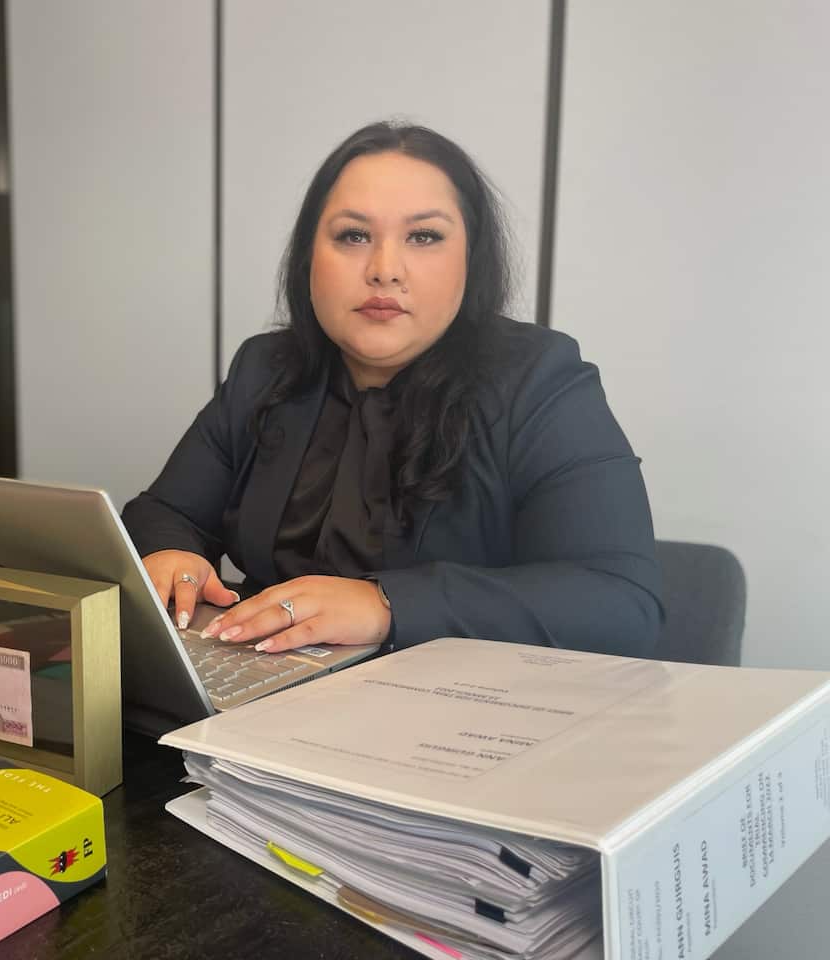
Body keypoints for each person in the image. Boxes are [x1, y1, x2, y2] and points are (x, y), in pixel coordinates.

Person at [121, 121, 662, 659]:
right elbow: (164, 512)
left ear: (470, 259)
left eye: (424, 236)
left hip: (456, 718)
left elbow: (620, 602)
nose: (384, 270)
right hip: (264, 698)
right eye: (353, 236)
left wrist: (386, 605)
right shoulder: (265, 369)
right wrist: (171, 553)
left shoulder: (541, 380)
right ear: (311, 256)